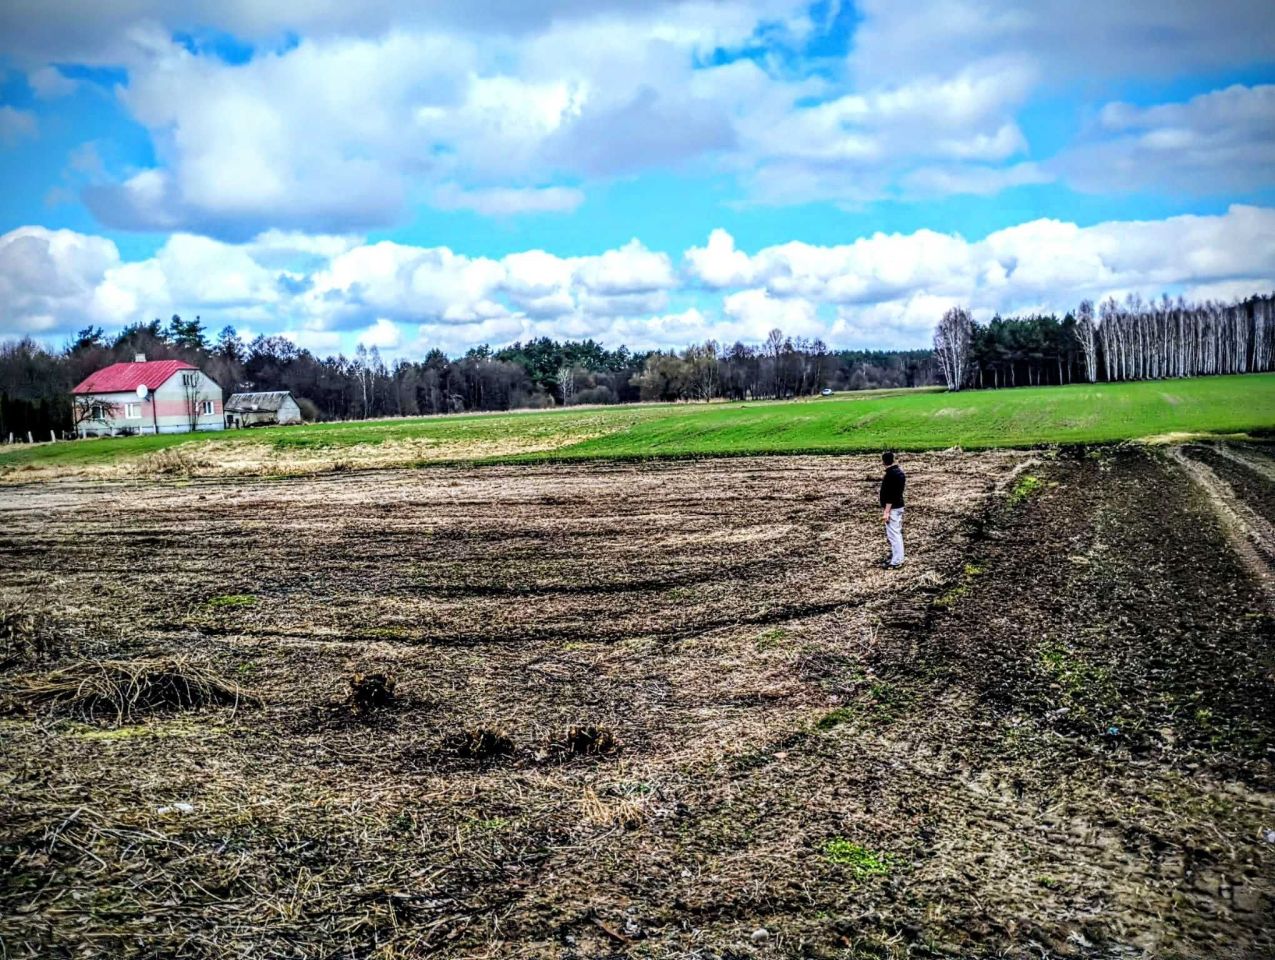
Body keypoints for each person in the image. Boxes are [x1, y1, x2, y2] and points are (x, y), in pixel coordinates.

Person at [879, 451, 906, 568]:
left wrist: (886, 512)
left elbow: (890, 496)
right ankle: (897, 557)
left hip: (893, 508)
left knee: (894, 535)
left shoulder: (890, 475)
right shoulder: (899, 472)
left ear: (883, 461)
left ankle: (897, 561)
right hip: (899, 505)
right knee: (896, 533)